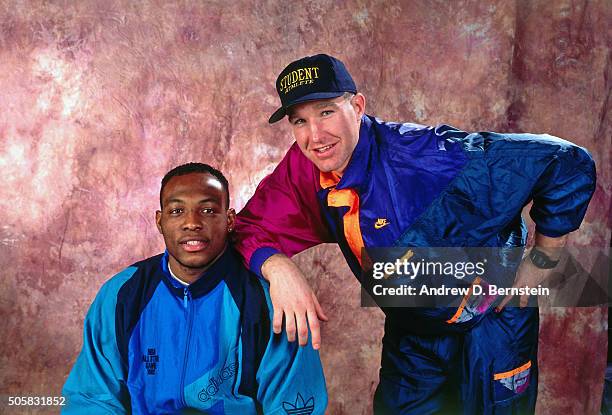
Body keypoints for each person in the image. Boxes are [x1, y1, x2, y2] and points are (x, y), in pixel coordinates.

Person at [234, 54, 597, 414]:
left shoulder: (431, 157)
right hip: (414, 330)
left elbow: (565, 160)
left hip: (494, 324)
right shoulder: (307, 166)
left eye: (326, 112)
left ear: (357, 106)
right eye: (300, 121)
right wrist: (277, 266)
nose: (315, 136)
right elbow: (246, 228)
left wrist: (544, 258)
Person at [62, 162, 327, 415]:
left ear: (230, 220)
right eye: (177, 211)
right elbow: (93, 398)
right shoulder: (122, 294)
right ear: (159, 221)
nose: (192, 223)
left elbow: (294, 405)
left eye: (208, 210)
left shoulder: (270, 300)